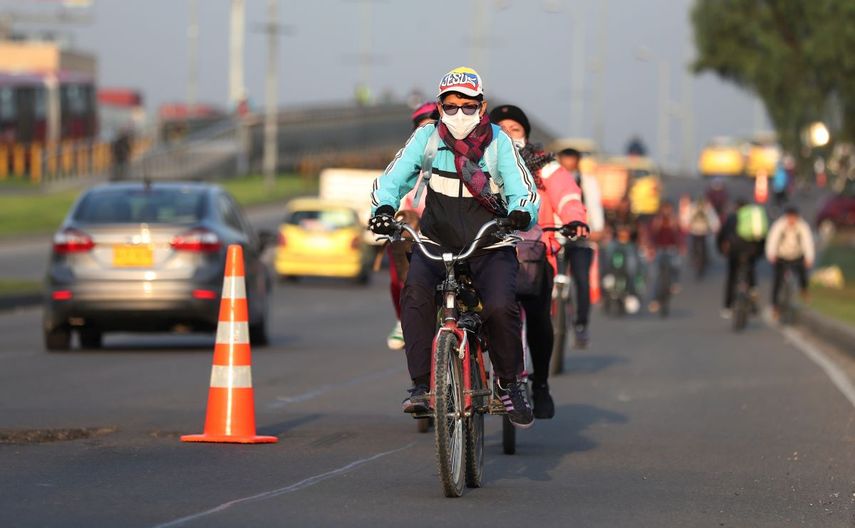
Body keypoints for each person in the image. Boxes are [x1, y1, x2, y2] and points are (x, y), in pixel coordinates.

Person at [368, 67, 541, 428]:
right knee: (413, 294)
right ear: (439, 107)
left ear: (482, 106)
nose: (459, 114)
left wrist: (519, 214)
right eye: (450, 107)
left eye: (468, 106)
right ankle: (420, 387)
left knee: (499, 306)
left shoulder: (499, 142)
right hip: (435, 242)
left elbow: (522, 190)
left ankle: (509, 383)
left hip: (489, 243)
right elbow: (391, 179)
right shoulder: (427, 138)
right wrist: (383, 210)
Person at [489, 104, 588, 419]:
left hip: (533, 254)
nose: (508, 135)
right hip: (487, 252)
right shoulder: (478, 164)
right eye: (501, 129)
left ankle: (540, 383)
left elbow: (568, 196)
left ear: (526, 136)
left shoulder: (545, 167)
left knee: (539, 317)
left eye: (515, 130)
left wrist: (574, 219)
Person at [385, 102, 440, 350]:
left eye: (433, 125)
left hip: (448, 229)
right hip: (414, 229)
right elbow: (391, 186)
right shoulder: (410, 158)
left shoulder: (455, 153)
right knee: (399, 273)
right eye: (422, 127)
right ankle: (402, 319)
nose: (428, 131)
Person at [556, 147, 606, 347]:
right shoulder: (550, 179)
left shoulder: (587, 182)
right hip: (556, 239)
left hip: (581, 238)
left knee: (582, 281)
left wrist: (597, 229)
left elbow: (594, 206)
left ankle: (581, 324)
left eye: (572, 164)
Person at [716, 198, 768, 319]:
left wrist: (721, 251)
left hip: (734, 251)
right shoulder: (756, 218)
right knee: (750, 269)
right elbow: (763, 237)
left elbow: (721, 235)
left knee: (732, 277)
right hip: (751, 251)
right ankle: (753, 295)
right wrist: (760, 253)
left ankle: (727, 306)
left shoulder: (732, 218)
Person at [765, 206, 815, 320]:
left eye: (794, 217)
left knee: (803, 274)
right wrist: (771, 255)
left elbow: (808, 242)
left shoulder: (802, 226)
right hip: (781, 256)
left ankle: (804, 290)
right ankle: (775, 306)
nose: (792, 220)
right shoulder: (779, 225)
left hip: (797, 255)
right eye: (790, 217)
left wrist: (809, 258)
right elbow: (772, 240)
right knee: (777, 281)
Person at [645, 201, 685, 313]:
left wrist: (675, 228)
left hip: (671, 248)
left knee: (676, 264)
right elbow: (650, 235)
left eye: (669, 209)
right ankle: (654, 300)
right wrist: (656, 227)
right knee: (655, 275)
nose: (667, 212)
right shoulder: (656, 221)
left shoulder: (674, 221)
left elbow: (681, 235)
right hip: (658, 249)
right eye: (665, 209)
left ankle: (674, 283)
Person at [680, 195, 720, 278]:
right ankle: (700, 260)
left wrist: (685, 225)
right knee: (701, 247)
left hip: (696, 231)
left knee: (698, 247)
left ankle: (698, 260)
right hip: (701, 231)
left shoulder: (692, 207)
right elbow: (713, 218)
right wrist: (715, 227)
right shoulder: (706, 207)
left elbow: (686, 217)